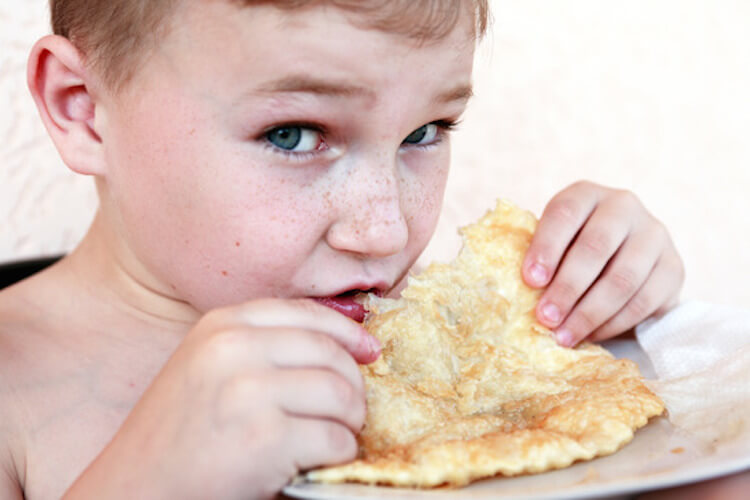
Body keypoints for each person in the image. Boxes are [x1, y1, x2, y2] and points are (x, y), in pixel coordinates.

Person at [0, 0, 694, 498]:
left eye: (427, 129)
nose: (385, 232)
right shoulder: (15, 397)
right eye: (294, 134)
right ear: (82, 108)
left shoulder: (453, 360)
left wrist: (616, 309)